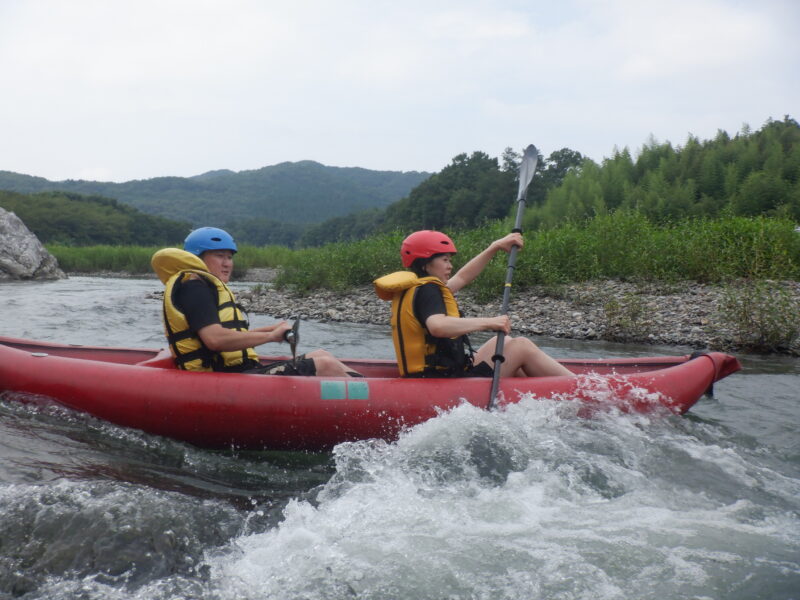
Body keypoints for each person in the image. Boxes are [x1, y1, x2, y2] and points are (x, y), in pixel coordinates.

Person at [152, 226, 359, 377]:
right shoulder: (194, 289)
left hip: (241, 373)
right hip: (223, 379)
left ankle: (370, 394)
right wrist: (270, 336)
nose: (227, 264)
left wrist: (272, 328)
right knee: (324, 365)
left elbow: (228, 335)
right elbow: (215, 340)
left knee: (322, 354)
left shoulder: (204, 287)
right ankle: (373, 412)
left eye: (230, 257)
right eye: (219, 256)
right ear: (198, 258)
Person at [374, 230, 574, 378]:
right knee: (521, 346)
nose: (450, 265)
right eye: (444, 260)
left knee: (500, 343)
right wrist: (490, 322)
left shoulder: (416, 288)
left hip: (435, 376)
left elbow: (462, 277)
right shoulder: (428, 290)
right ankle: (581, 388)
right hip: (440, 381)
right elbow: (438, 326)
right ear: (425, 263)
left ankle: (534, 390)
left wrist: (494, 246)